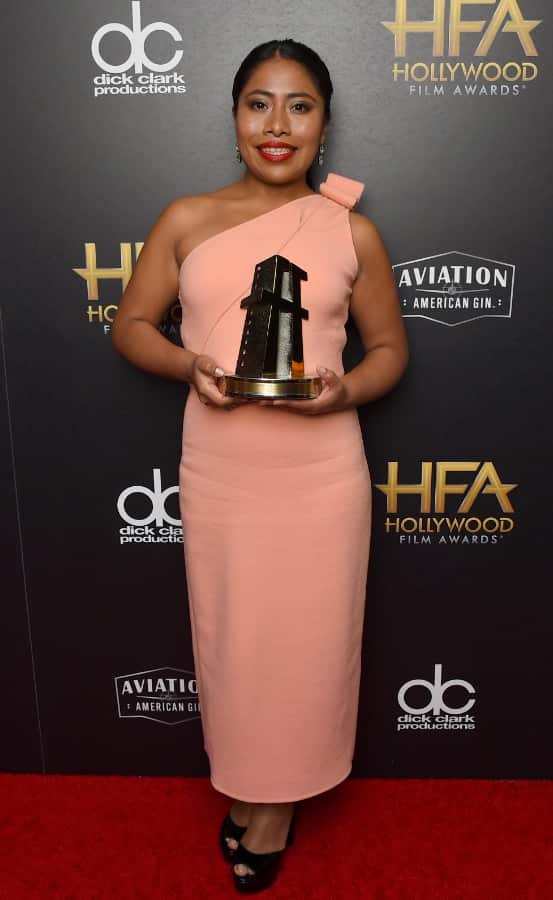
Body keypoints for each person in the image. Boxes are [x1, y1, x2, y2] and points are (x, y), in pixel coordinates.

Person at [112, 38, 408, 894]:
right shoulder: (185, 218)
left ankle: (275, 805)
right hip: (221, 468)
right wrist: (190, 368)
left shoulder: (351, 228)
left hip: (320, 475)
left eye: (301, 105)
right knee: (237, 642)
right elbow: (131, 327)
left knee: (309, 644)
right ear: (235, 117)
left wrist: (343, 390)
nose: (278, 125)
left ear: (323, 124)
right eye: (259, 103)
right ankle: (250, 778)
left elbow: (389, 347)